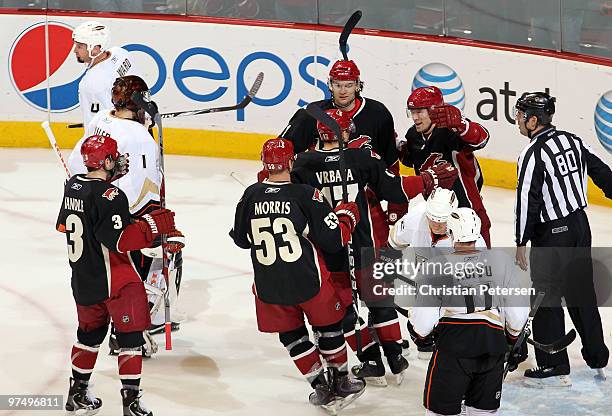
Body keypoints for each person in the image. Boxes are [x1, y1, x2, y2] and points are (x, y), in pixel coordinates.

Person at [291, 108, 458, 386]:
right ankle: (395, 356)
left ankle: (369, 359)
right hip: (364, 242)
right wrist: (428, 180)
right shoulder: (360, 158)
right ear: (345, 133)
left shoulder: (303, 164)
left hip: (330, 249)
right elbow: (395, 189)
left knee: (343, 309)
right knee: (379, 299)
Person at [230, 138, 366, 412]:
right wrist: (347, 217)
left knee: (293, 337)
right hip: (309, 280)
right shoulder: (306, 194)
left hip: (269, 285)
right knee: (329, 327)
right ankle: (340, 380)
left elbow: (242, 240)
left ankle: (319, 386)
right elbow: (333, 239)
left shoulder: (251, 194)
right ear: (291, 162)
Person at [57, 135, 178, 416]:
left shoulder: (73, 186)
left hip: (84, 278)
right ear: (107, 161)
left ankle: (77, 394)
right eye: (115, 156)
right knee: (131, 340)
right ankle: (131, 403)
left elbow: (66, 226)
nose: (120, 160)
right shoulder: (112, 195)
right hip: (116, 281)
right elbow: (120, 241)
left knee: (88, 336)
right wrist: (150, 227)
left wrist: (125, 219)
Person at [67, 75, 185, 355]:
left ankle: (121, 329)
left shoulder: (100, 121)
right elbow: (145, 187)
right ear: (136, 101)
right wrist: (155, 221)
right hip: (125, 217)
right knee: (155, 261)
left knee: (109, 277)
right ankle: (140, 327)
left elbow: (76, 162)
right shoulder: (139, 136)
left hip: (93, 216)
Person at [514, 91, 611, 385]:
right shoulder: (572, 140)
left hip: (553, 234)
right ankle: (597, 355)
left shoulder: (531, 154)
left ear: (533, 120)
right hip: (580, 226)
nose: (516, 121)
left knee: (545, 295)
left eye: (520, 116)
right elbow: (600, 170)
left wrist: (521, 242)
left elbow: (526, 201)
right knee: (582, 291)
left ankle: (553, 362)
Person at [410, 207, 530, 416]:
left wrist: (420, 335)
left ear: (451, 233)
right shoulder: (501, 261)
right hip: (492, 347)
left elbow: (423, 323)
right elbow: (518, 315)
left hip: (454, 347)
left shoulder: (438, 265)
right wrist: (511, 341)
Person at [279, 58, 407, 224]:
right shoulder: (312, 115)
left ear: (358, 85)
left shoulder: (378, 114)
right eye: (338, 85)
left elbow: (390, 161)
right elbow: (281, 150)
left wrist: (396, 203)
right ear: (330, 85)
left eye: (348, 85)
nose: (343, 91)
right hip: (322, 202)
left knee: (374, 248)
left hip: (366, 202)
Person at [402, 86, 492, 247]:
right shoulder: (413, 135)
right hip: (435, 216)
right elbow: (410, 160)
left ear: (434, 110)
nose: (415, 117)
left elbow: (481, 139)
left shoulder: (452, 131)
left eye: (419, 112)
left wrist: (463, 125)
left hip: (466, 210)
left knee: (480, 267)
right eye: (412, 112)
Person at [72, 21, 139, 127]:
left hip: (119, 137)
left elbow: (95, 128)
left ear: (95, 48)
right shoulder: (120, 53)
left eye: (79, 46)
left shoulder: (90, 84)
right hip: (141, 124)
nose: (74, 50)